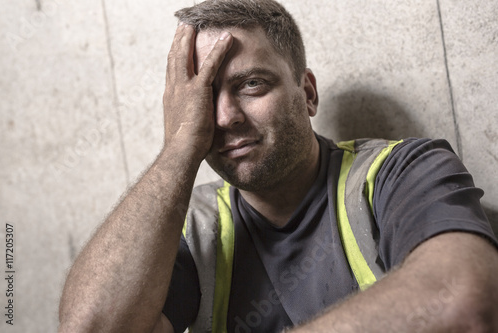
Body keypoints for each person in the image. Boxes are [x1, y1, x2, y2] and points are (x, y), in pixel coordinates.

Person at [58, 0, 498, 332]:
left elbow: (466, 299)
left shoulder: (400, 172)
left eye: (251, 84)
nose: (225, 116)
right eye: (203, 98)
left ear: (307, 93)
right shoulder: (193, 227)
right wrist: (177, 150)